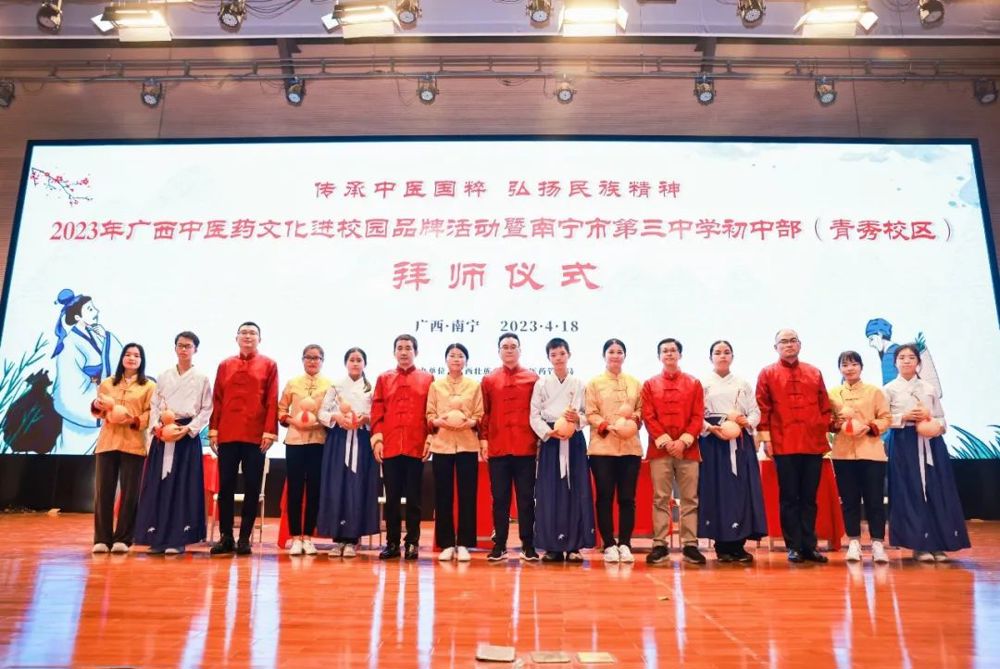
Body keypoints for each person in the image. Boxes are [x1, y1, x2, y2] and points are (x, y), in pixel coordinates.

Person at [883, 344, 970, 562]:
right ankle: (919, 545)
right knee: (910, 490)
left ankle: (938, 543)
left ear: (918, 362)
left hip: (931, 442)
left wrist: (933, 423)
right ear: (895, 363)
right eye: (902, 357)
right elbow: (883, 420)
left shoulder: (928, 388)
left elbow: (941, 418)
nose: (906, 361)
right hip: (903, 442)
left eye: (911, 357)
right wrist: (904, 417)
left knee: (936, 489)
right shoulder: (889, 389)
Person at [755, 328, 834, 564]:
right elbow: (763, 408)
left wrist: (820, 427)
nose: (789, 345)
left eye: (793, 341)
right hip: (783, 443)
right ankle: (794, 546)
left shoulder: (814, 372)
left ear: (800, 344)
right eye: (783, 342)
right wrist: (766, 440)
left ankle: (810, 545)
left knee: (809, 498)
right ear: (776, 347)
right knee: (789, 498)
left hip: (812, 443)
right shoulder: (767, 373)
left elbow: (825, 406)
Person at [134, 331, 212, 555]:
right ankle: (156, 536)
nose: (184, 349)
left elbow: (207, 409)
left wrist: (188, 429)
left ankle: (178, 538)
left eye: (188, 346)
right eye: (180, 345)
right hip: (163, 433)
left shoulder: (202, 378)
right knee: (159, 484)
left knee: (182, 485)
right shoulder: (163, 376)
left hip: (185, 436)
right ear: (175, 348)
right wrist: (158, 428)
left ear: (195, 349)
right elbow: (155, 406)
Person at [208, 322, 279, 557]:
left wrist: (269, 431)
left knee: (252, 487)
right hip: (227, 433)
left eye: (253, 333)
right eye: (244, 333)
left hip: (255, 435)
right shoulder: (225, 365)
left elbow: (272, 399)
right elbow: (217, 399)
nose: (248, 336)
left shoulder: (269, 365)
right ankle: (226, 537)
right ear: (236, 337)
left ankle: (244, 538)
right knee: (226, 486)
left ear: (260, 339)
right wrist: (214, 429)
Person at [696, 340, 767, 563]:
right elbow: (696, 414)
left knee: (741, 490)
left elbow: (755, 411)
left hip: (741, 445)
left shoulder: (742, 383)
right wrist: (716, 425)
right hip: (714, 444)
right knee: (718, 491)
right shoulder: (702, 384)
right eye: (717, 352)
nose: (722, 356)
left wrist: (747, 421)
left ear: (732, 357)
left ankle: (738, 544)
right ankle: (722, 545)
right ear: (710, 358)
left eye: (727, 352)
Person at [641, 338, 706, 566]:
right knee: (660, 498)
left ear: (680, 354)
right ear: (659, 356)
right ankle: (660, 544)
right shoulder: (649, 384)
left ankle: (690, 544)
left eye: (673, 350)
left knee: (690, 498)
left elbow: (698, 415)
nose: (669, 354)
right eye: (665, 351)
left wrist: (684, 441)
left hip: (688, 449)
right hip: (660, 450)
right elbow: (648, 416)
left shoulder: (694, 383)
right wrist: (667, 441)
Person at [530, 338, 595, 563]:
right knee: (550, 492)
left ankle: (575, 546)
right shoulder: (541, 384)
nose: (558, 358)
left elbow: (588, 414)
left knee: (576, 490)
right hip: (551, 440)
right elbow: (534, 416)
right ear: (548, 358)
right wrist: (549, 433)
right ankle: (552, 547)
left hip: (573, 441)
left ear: (569, 355)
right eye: (554, 354)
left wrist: (577, 419)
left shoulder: (578, 383)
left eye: (562, 353)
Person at [370, 334, 434, 560]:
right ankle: (392, 543)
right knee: (392, 499)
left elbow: (431, 411)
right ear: (394, 352)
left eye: (408, 348)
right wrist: (378, 439)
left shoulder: (427, 378)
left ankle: (413, 543)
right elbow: (377, 411)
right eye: (400, 348)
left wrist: (430, 438)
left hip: (416, 445)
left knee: (415, 499)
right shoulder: (384, 378)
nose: (404, 352)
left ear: (416, 352)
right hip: (390, 445)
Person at [480, 333, 541, 562]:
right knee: (500, 499)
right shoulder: (489, 379)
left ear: (520, 350)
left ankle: (528, 545)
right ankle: (500, 545)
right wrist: (484, 440)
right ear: (499, 351)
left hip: (526, 448)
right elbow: (485, 413)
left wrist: (539, 440)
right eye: (504, 346)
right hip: (498, 448)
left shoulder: (532, 378)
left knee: (526, 499)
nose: (509, 350)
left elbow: (537, 413)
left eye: (513, 346)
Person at [90, 343, 155, 554]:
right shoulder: (107, 383)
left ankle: (124, 538)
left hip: (133, 444)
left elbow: (150, 414)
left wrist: (133, 420)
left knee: (130, 494)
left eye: (136, 355)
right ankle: (102, 538)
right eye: (128, 354)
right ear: (122, 358)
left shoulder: (149, 386)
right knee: (103, 492)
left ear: (141, 360)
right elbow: (99, 410)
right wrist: (98, 407)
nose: (132, 358)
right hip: (107, 443)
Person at [828, 350, 892, 564]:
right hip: (843, 454)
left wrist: (870, 426)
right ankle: (853, 542)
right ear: (840, 369)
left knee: (874, 500)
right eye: (845, 365)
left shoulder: (874, 392)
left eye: (854, 364)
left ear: (861, 367)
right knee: (849, 500)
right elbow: (827, 420)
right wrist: (837, 424)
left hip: (871, 453)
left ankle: (877, 544)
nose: (850, 369)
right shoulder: (833, 394)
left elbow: (886, 418)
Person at [317, 347, 379, 558]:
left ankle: (353, 539)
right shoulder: (336, 386)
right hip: (338, 440)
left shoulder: (371, 388)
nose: (355, 363)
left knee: (357, 486)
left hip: (361, 441)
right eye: (351, 360)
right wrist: (336, 417)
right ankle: (337, 539)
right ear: (346, 363)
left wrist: (365, 419)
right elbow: (322, 412)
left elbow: (378, 414)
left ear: (364, 364)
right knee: (337, 486)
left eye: (359, 360)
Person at [585, 338, 642, 564]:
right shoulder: (594, 383)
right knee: (604, 497)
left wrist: (634, 419)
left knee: (628, 498)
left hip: (630, 449)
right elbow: (590, 412)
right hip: (602, 450)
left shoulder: (635, 383)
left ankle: (625, 543)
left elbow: (641, 410)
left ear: (624, 356)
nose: (615, 355)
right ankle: (608, 544)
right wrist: (606, 425)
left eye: (619, 352)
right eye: (611, 351)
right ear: (604, 356)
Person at [426, 343, 483, 563]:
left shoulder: (474, 385)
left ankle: (465, 544)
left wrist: (471, 422)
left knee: (468, 496)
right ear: (446, 360)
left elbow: (480, 414)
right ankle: (447, 544)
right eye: (452, 355)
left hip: (468, 444)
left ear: (466, 361)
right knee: (443, 496)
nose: (456, 359)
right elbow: (429, 413)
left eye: (460, 356)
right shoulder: (436, 386)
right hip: (442, 445)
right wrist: (438, 421)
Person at [51, 289, 123, 454]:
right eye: (90, 309)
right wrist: (97, 407)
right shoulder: (69, 345)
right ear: (78, 317)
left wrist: (106, 337)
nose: (96, 311)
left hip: (104, 400)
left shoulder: (97, 334)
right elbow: (69, 388)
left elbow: (117, 358)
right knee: (72, 452)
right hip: (85, 409)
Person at [278, 344, 332, 556]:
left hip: (318, 441)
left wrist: (318, 422)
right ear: (302, 360)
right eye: (308, 357)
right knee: (295, 490)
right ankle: (295, 537)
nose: (312, 361)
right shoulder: (293, 383)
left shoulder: (329, 385)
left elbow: (331, 412)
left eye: (316, 358)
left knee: (314, 490)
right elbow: (281, 409)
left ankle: (308, 536)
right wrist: (294, 421)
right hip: (295, 441)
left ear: (322, 361)